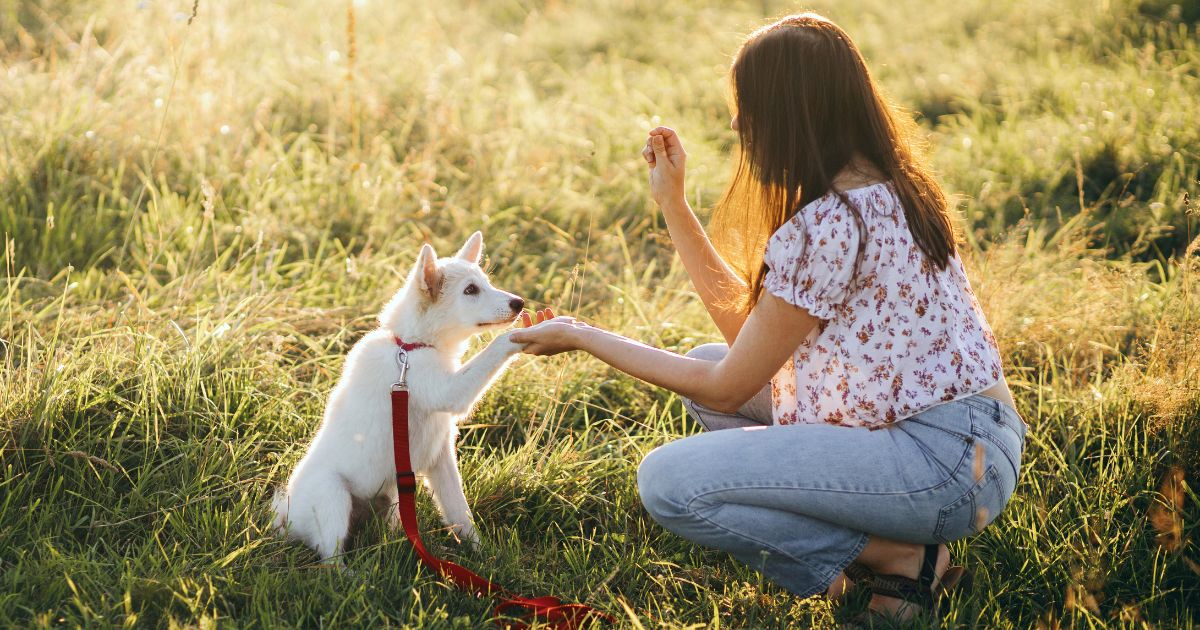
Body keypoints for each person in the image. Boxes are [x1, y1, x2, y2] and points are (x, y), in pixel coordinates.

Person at [510, 13, 1026, 622]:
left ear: (789, 111)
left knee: (668, 484)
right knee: (706, 362)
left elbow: (730, 388)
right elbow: (747, 347)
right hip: (972, 443)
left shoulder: (832, 223)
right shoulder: (889, 189)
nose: (735, 123)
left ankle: (896, 558)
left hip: (943, 466)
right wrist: (673, 205)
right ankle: (900, 552)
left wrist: (579, 333)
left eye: (746, 107)